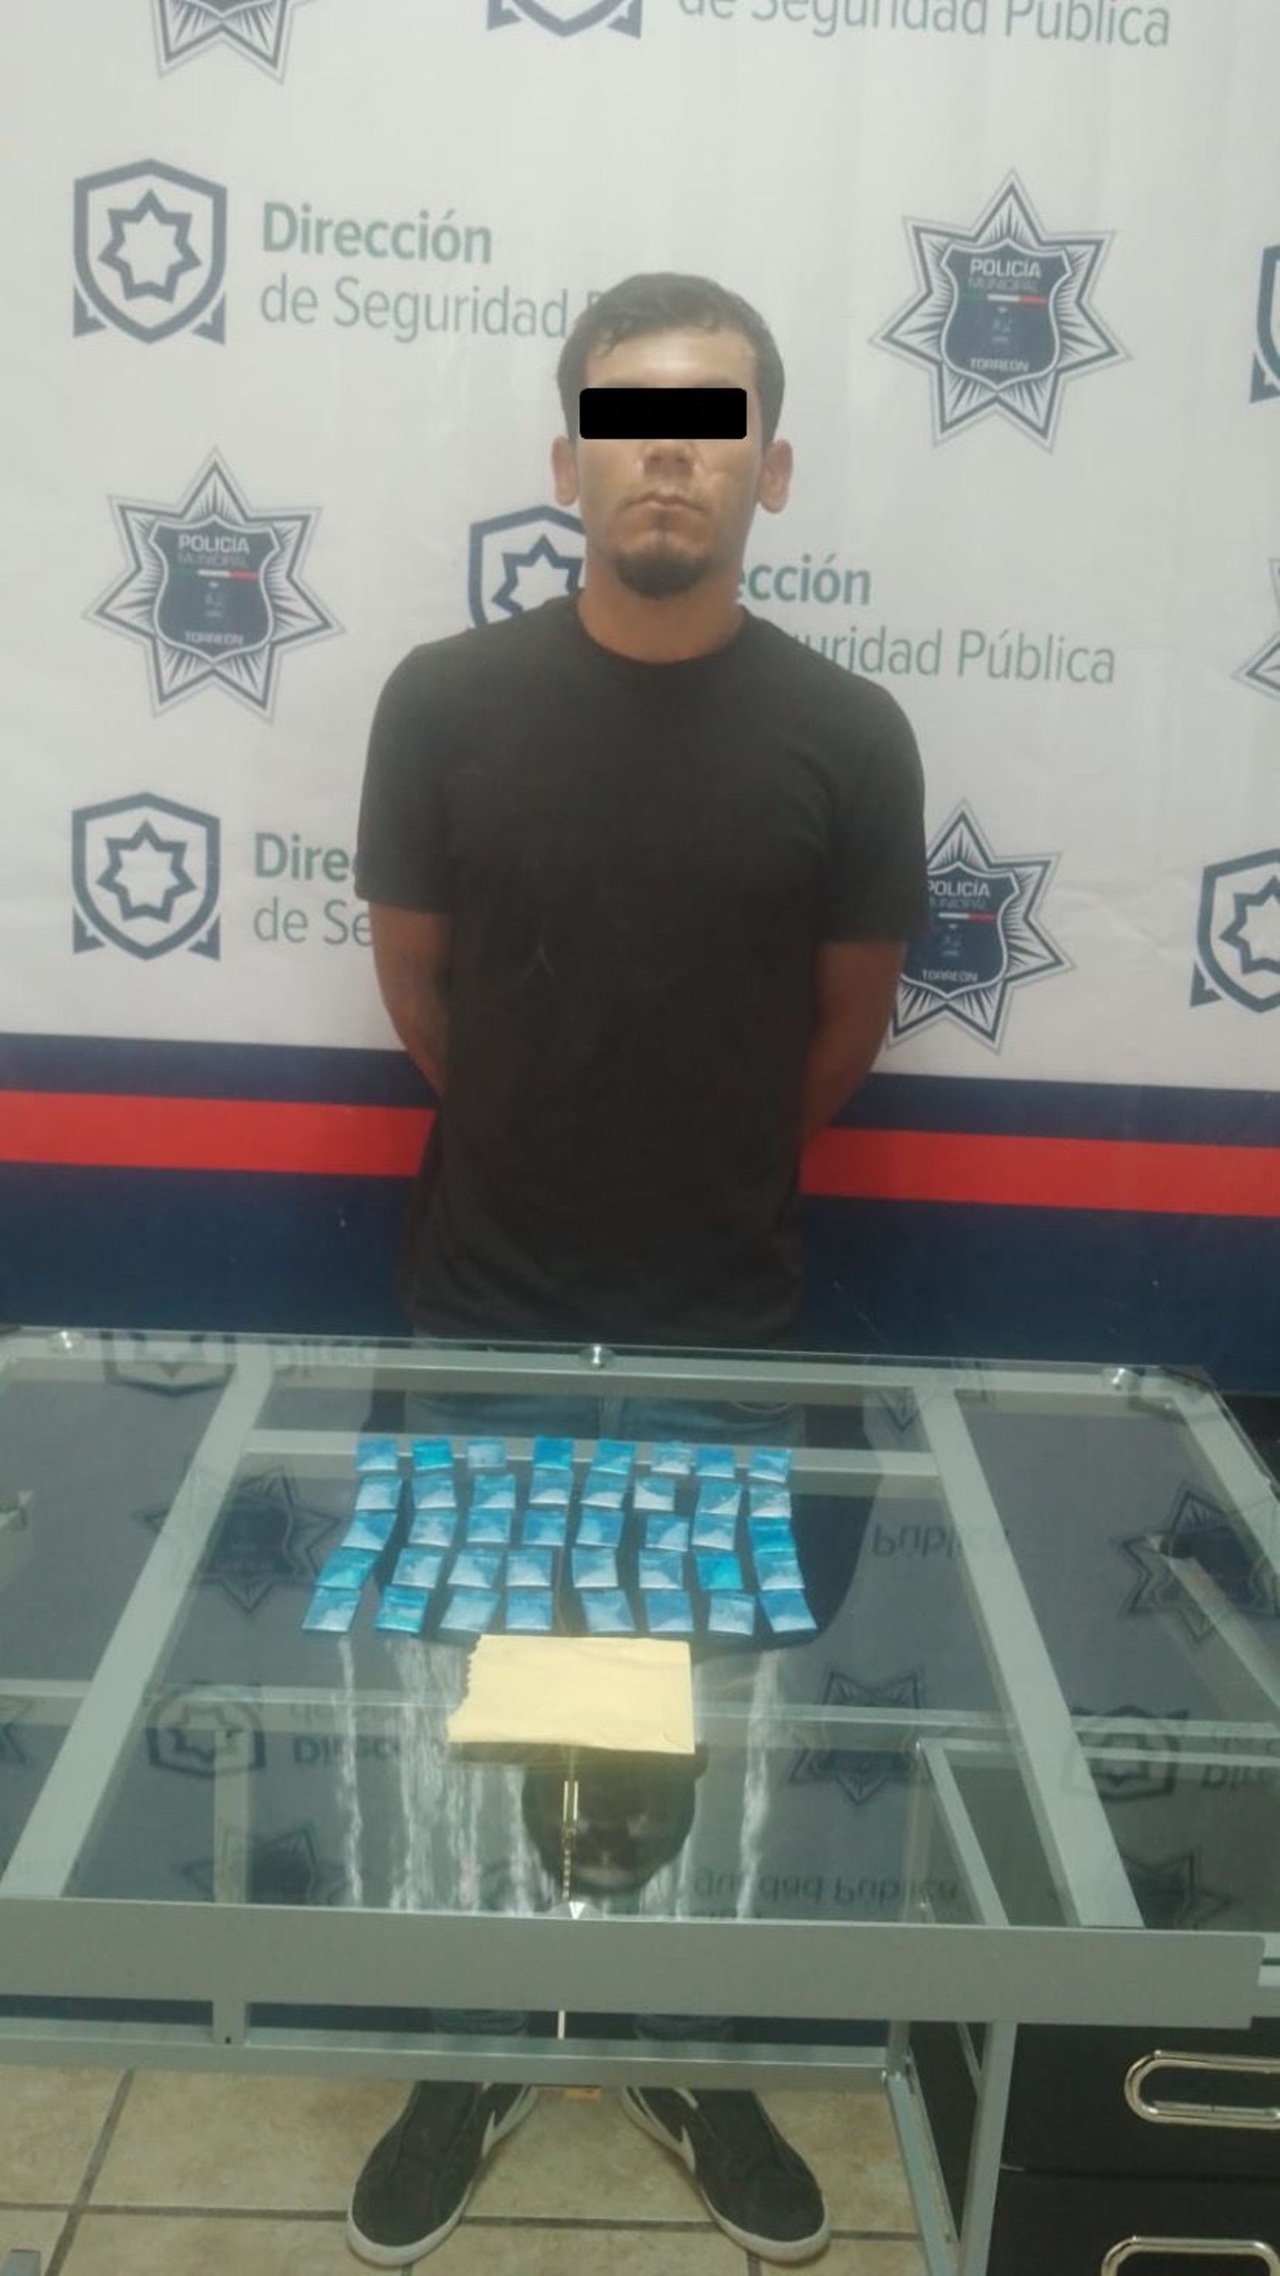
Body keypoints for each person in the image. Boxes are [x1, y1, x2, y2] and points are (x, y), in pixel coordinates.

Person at [349, 271, 929, 2267]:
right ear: (565, 461)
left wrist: (685, 1169)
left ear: (772, 471)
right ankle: (472, 2056)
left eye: (709, 427)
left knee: (684, 1727)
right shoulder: (442, 703)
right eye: (626, 425)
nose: (664, 460)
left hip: (722, 1333)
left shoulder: (848, 734)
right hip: (486, 1315)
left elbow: (839, 1032)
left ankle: (681, 2048)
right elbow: (421, 993)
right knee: (486, 1713)